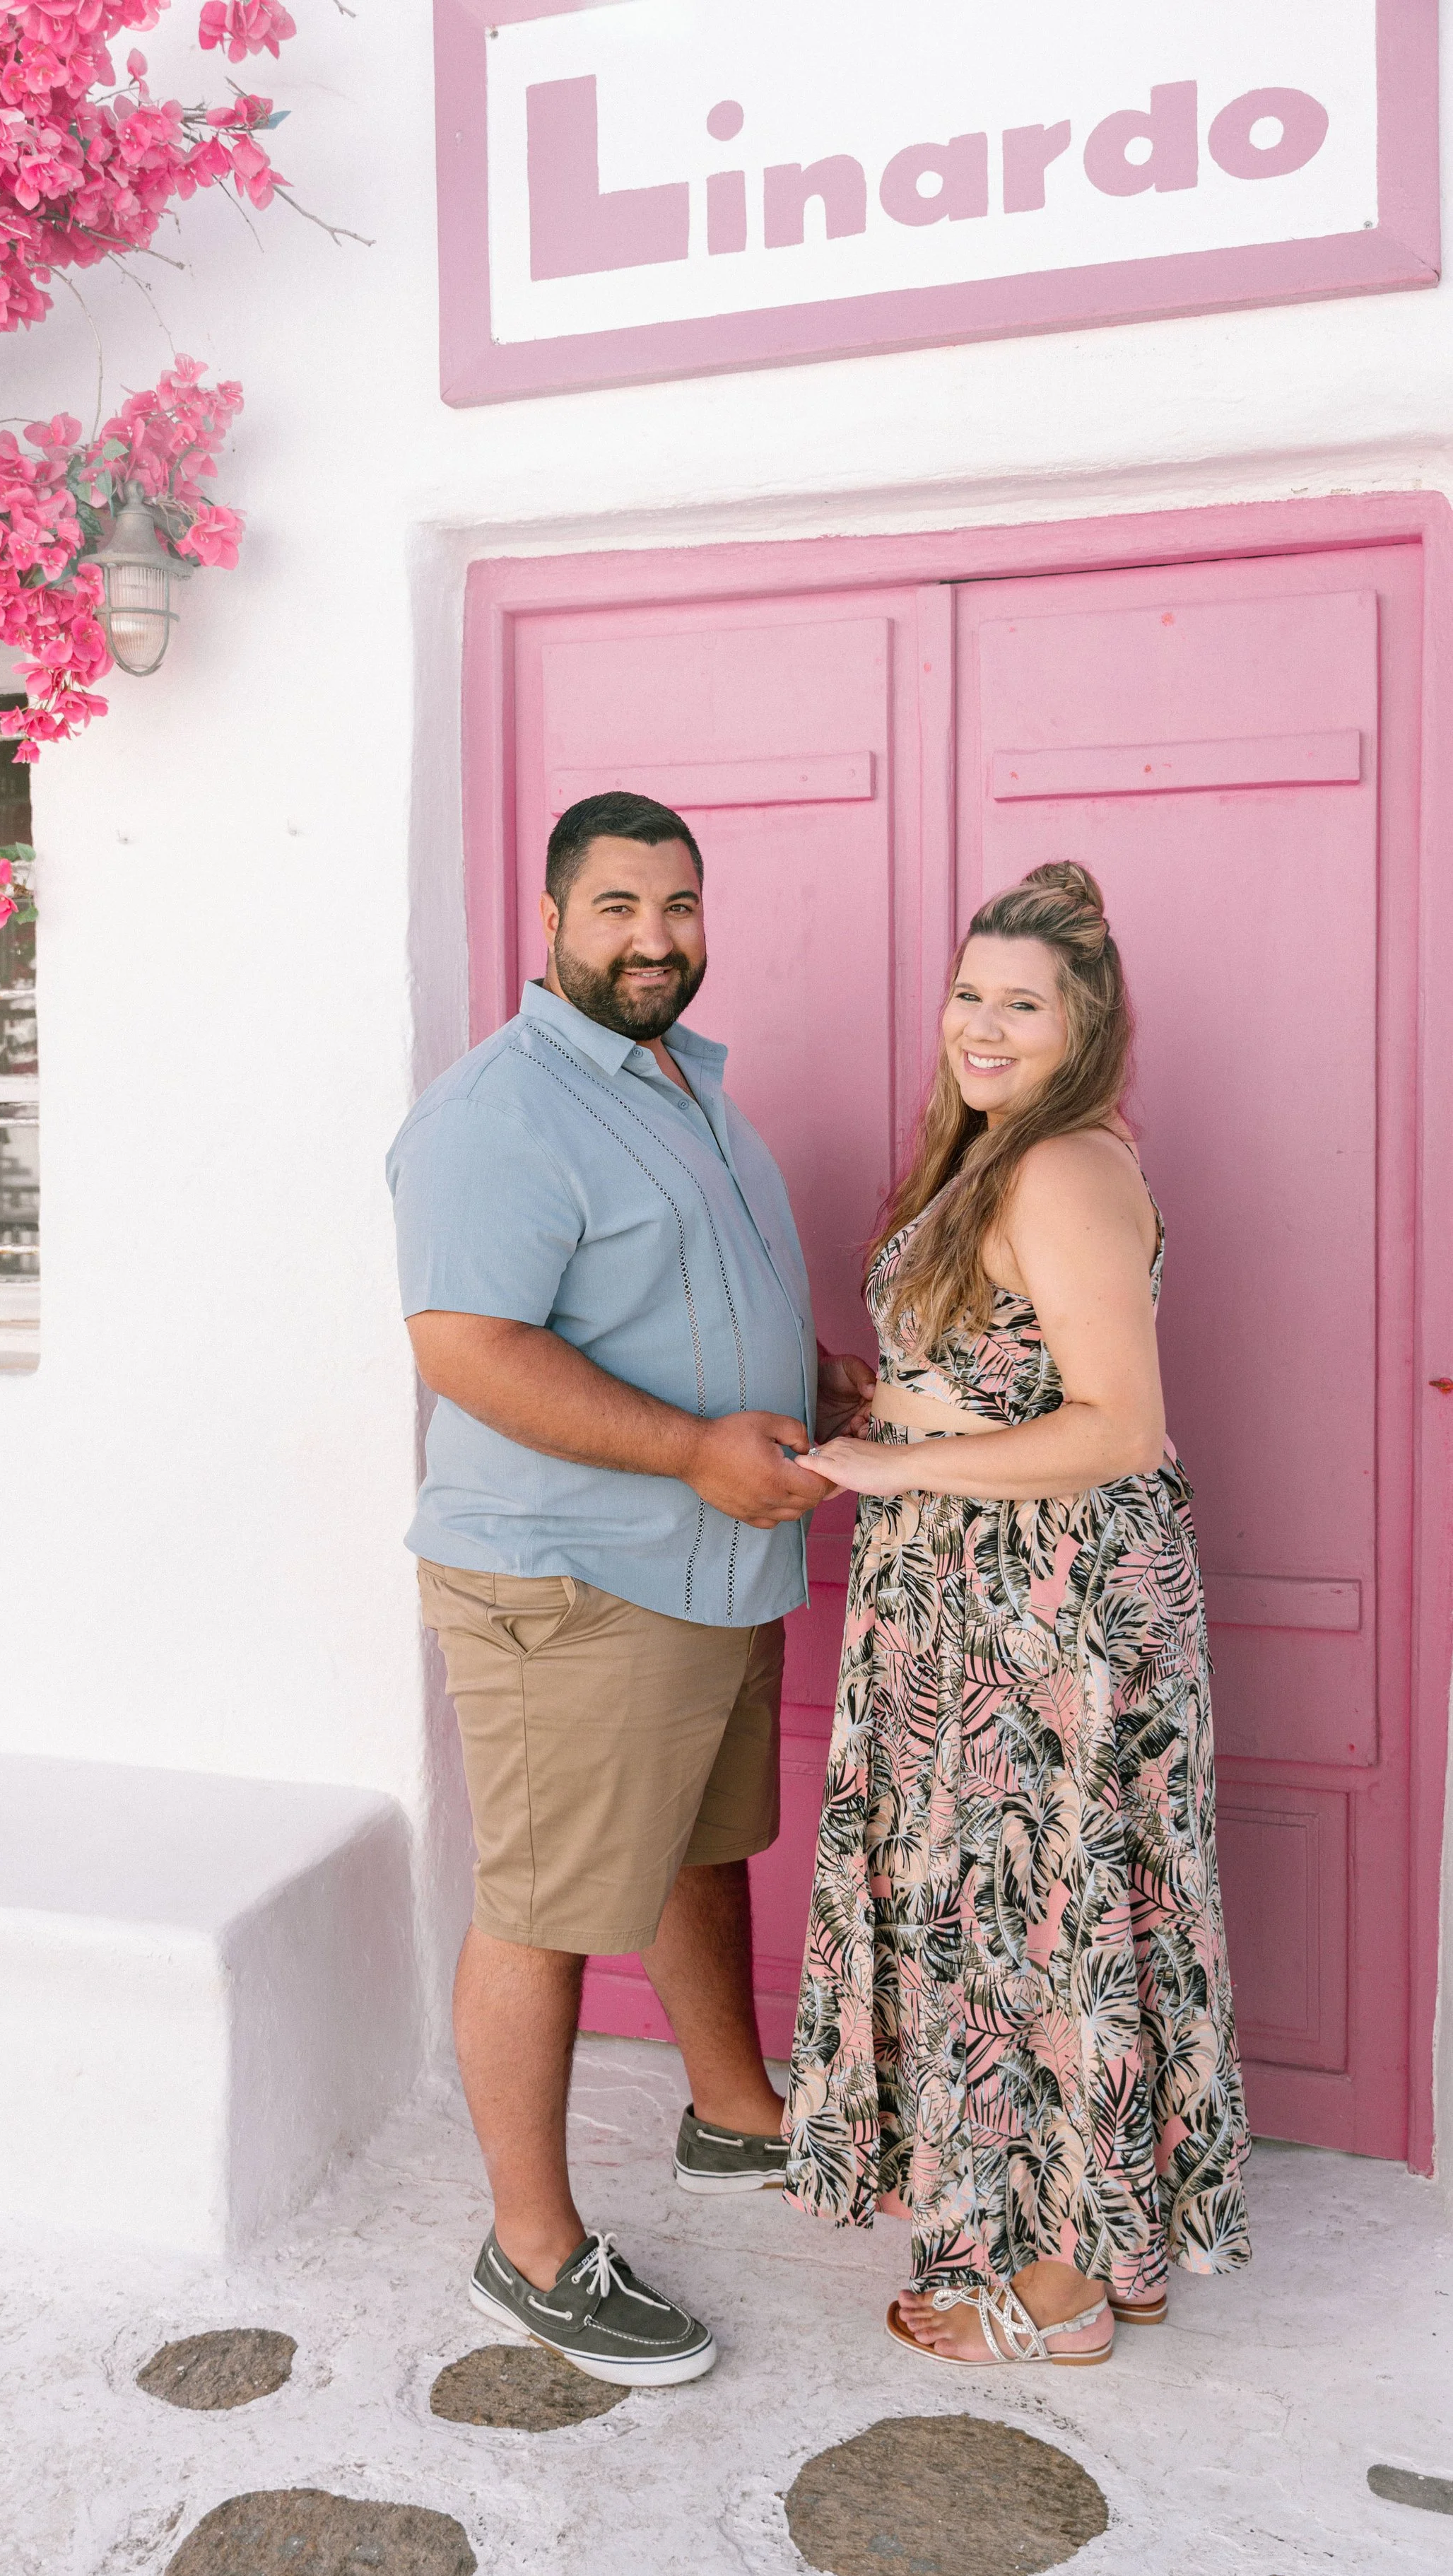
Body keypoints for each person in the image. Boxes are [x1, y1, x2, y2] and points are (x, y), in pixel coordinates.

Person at [387, 791, 875, 2387]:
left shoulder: (685, 1084)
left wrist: (807, 1377)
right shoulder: (500, 1111)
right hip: (573, 1581)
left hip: (711, 1556)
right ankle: (526, 2252)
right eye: (616, 908)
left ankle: (733, 2116)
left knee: (696, 1845)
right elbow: (467, 1348)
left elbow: (668, 1296)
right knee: (544, 1906)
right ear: (549, 921)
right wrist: (687, 1449)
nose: (654, 937)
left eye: (676, 905)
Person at [784, 862, 1250, 2368]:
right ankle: (1081, 2248)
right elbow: (1011, 1369)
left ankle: (1051, 2299)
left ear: (1083, 1027)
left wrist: (877, 1460)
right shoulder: (1001, 1158)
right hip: (984, 1603)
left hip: (1036, 1618)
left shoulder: (1056, 1166)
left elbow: (1118, 1425)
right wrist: (889, 1398)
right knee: (1039, 1916)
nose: (980, 1025)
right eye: (969, 993)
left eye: (1020, 1004)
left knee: (1037, 1928)